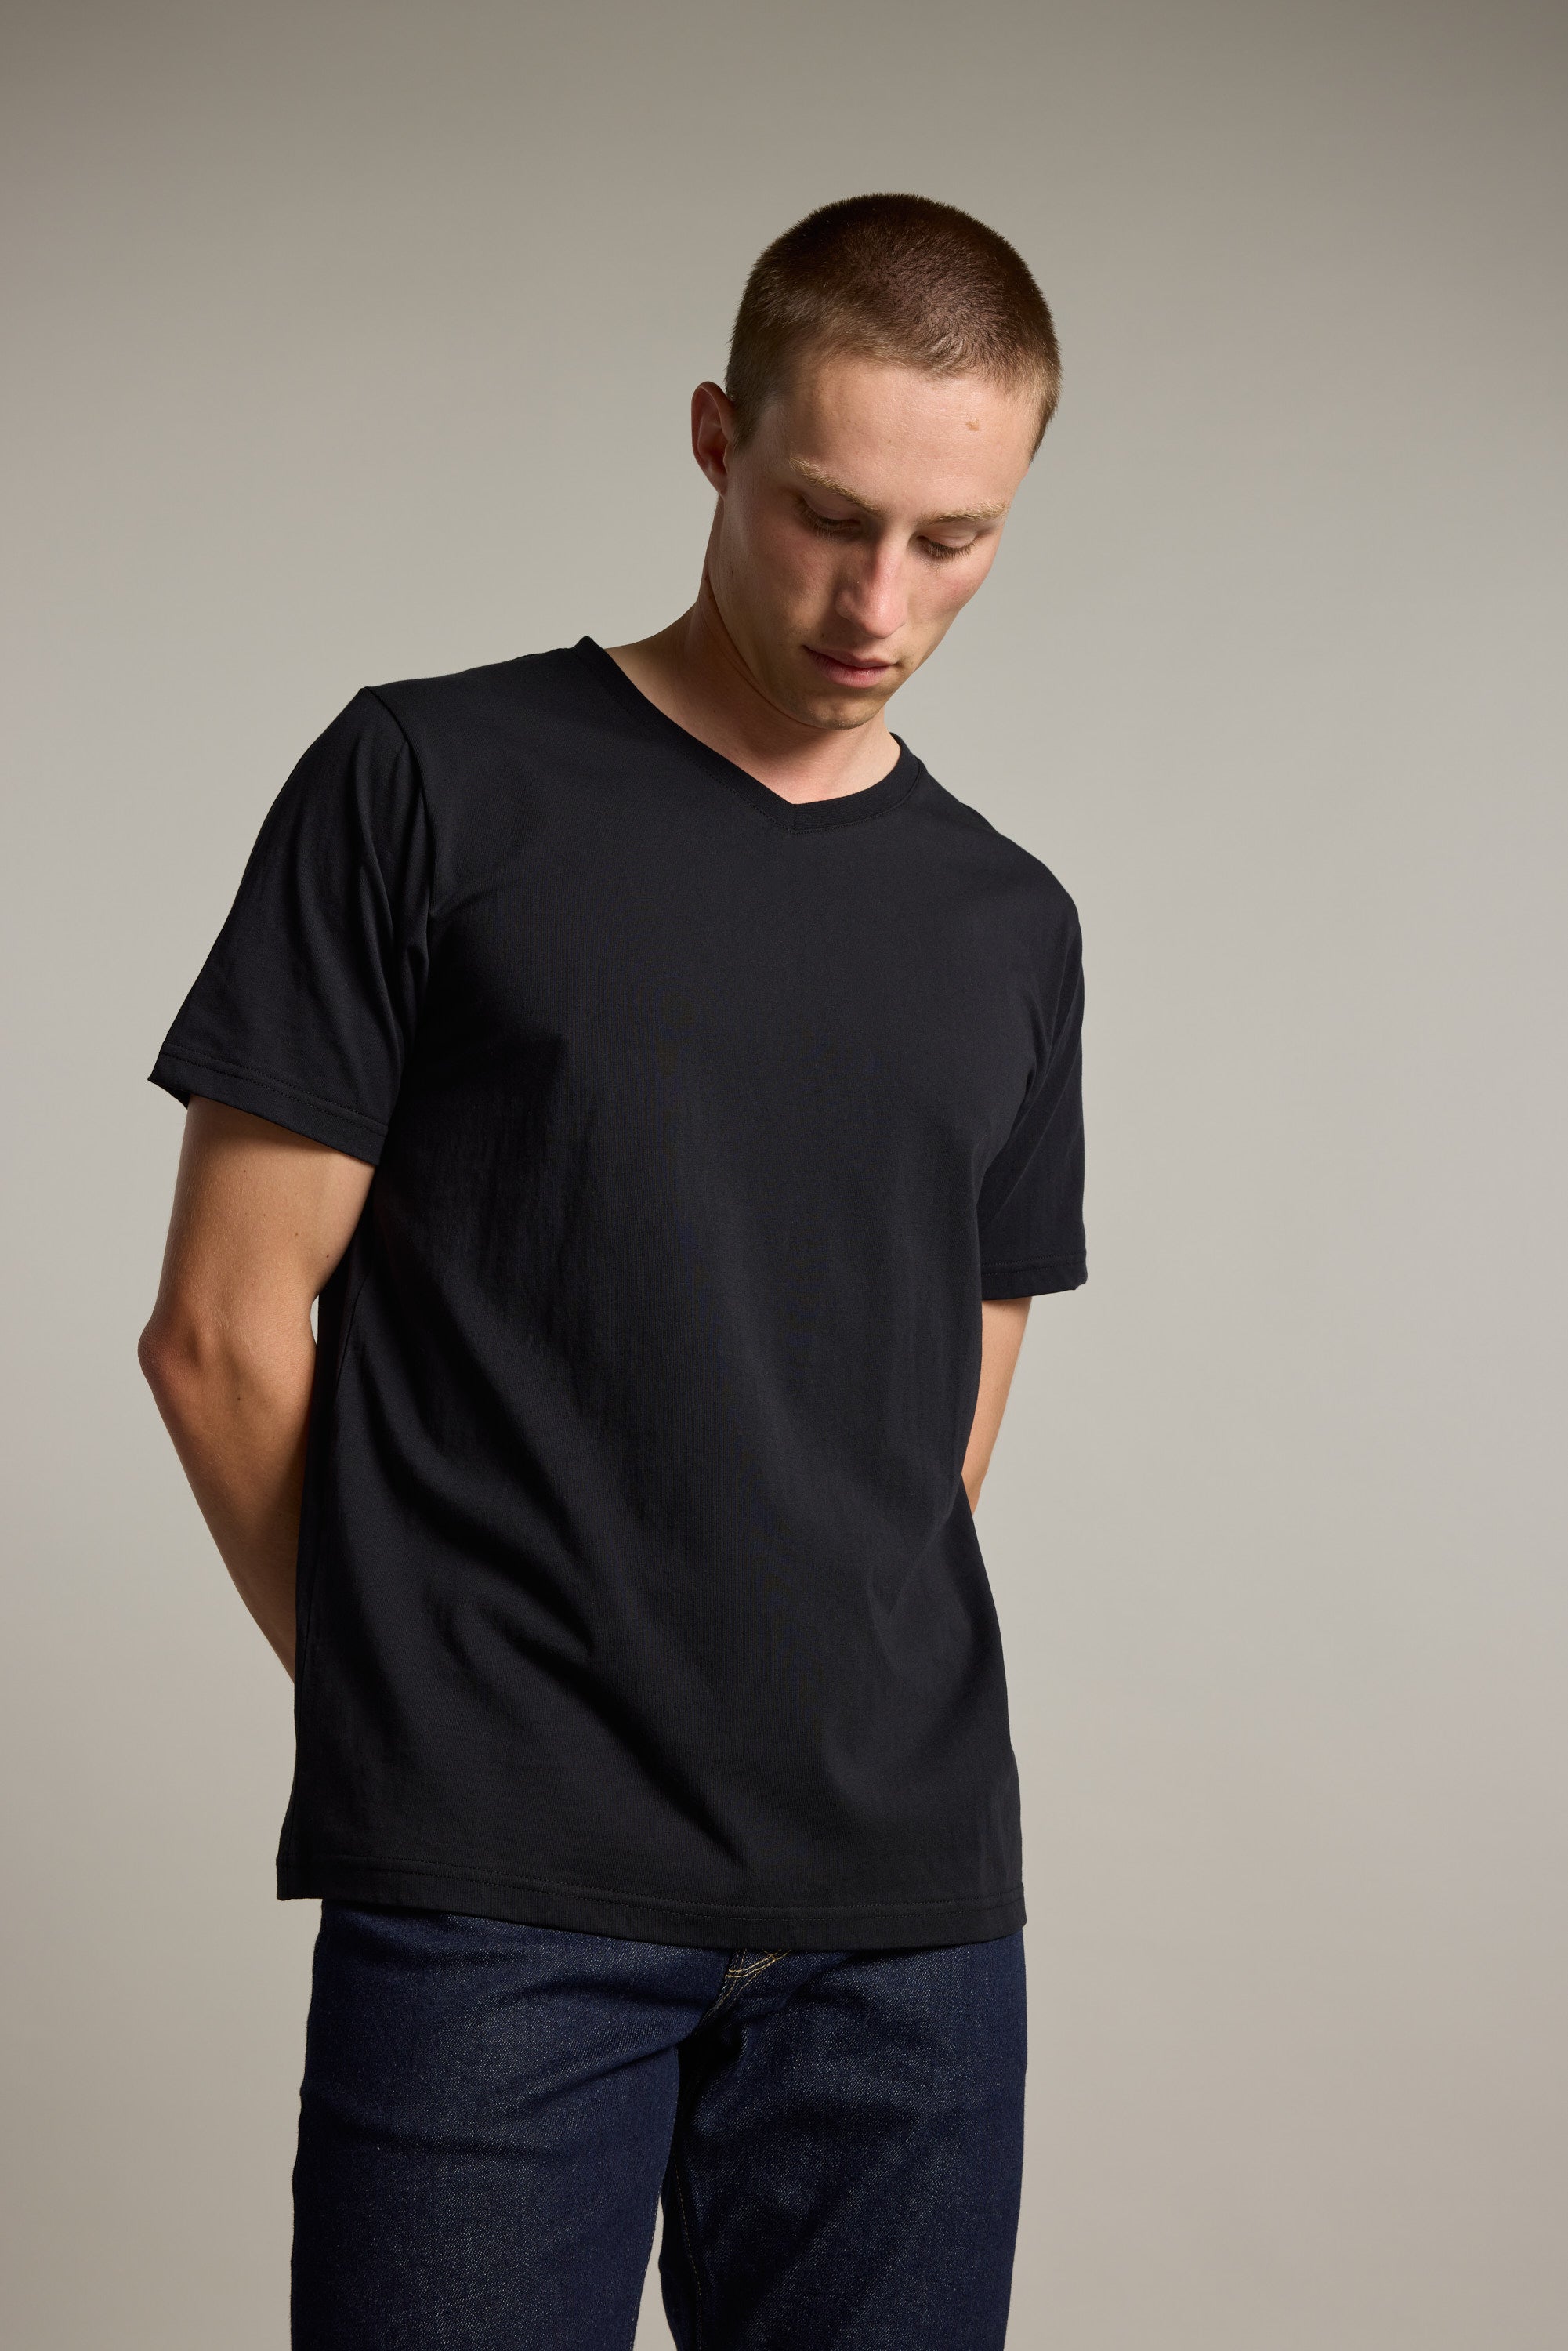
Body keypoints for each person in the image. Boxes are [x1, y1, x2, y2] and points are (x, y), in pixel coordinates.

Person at [139, 191, 1086, 2351]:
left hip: (902, 1927)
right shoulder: (429, 784)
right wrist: (439, 1729)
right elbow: (214, 1337)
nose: (879, 599)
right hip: (500, 1914)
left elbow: (933, 1429)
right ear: (712, 440)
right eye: (829, 515)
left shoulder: (1005, 924)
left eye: (953, 540)